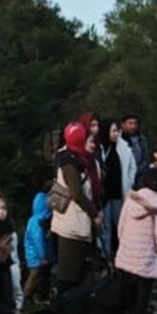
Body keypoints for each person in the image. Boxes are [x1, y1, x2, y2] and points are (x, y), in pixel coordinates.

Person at [115, 167, 157, 314]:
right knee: (144, 287)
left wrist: (122, 241)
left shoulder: (132, 199)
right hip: (147, 252)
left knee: (129, 284)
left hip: (128, 247)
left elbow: (121, 223)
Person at [50, 121, 103, 292]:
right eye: (90, 141)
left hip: (74, 219)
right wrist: (94, 213)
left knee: (79, 265)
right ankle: (65, 306)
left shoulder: (78, 158)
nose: (94, 145)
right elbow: (77, 193)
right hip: (73, 222)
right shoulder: (71, 164)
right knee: (69, 269)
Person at [99, 119, 136, 264]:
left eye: (117, 131)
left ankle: (124, 256)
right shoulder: (100, 147)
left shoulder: (123, 147)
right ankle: (107, 258)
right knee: (106, 228)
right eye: (113, 131)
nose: (116, 134)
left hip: (119, 194)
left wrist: (129, 182)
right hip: (105, 196)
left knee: (122, 226)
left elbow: (132, 166)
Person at [22, 190, 56, 304]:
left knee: (44, 277)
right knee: (34, 277)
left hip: (43, 256)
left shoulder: (45, 219)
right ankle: (25, 297)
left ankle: (42, 296)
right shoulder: (37, 221)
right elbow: (38, 240)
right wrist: (43, 256)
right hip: (37, 257)